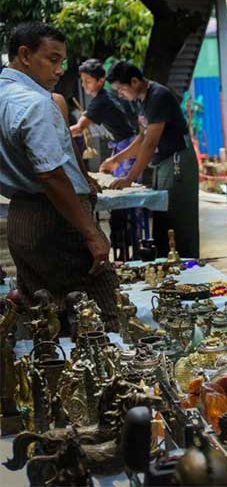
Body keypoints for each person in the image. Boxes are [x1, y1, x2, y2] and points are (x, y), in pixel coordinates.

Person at [0, 22, 118, 325]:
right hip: (56, 218)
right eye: (53, 59)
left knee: (46, 317)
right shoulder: (34, 103)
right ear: (24, 55)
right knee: (100, 314)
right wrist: (91, 234)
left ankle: (52, 372)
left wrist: (84, 177)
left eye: (62, 62)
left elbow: (60, 155)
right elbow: (50, 175)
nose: (59, 69)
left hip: (22, 216)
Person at [99, 61, 200, 258]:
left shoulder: (158, 96)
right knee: (162, 219)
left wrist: (129, 178)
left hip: (178, 161)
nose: (120, 94)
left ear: (134, 81)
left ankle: (187, 270)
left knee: (178, 220)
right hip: (163, 162)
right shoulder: (140, 100)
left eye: (121, 89)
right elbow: (142, 137)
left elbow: (150, 142)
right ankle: (166, 269)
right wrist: (117, 160)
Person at [71, 59, 139, 177]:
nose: (83, 85)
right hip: (125, 143)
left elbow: (78, 128)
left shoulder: (100, 101)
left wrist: (57, 135)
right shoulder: (106, 95)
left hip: (127, 145)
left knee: (124, 184)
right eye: (82, 81)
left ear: (100, 81)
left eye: (87, 81)